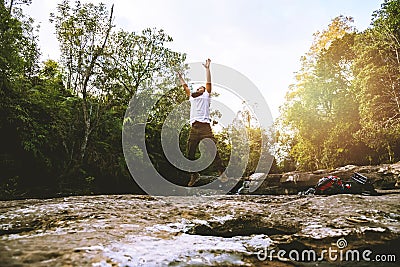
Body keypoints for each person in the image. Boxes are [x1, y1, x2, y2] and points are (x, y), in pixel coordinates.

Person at [178, 59, 225, 186]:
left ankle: (221, 172)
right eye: (198, 88)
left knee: (212, 149)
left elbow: (209, 83)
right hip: (194, 127)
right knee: (189, 152)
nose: (200, 89)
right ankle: (194, 175)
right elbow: (185, 87)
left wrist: (207, 69)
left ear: (204, 91)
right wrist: (180, 77)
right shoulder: (192, 97)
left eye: (202, 88)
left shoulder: (206, 96)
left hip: (205, 127)